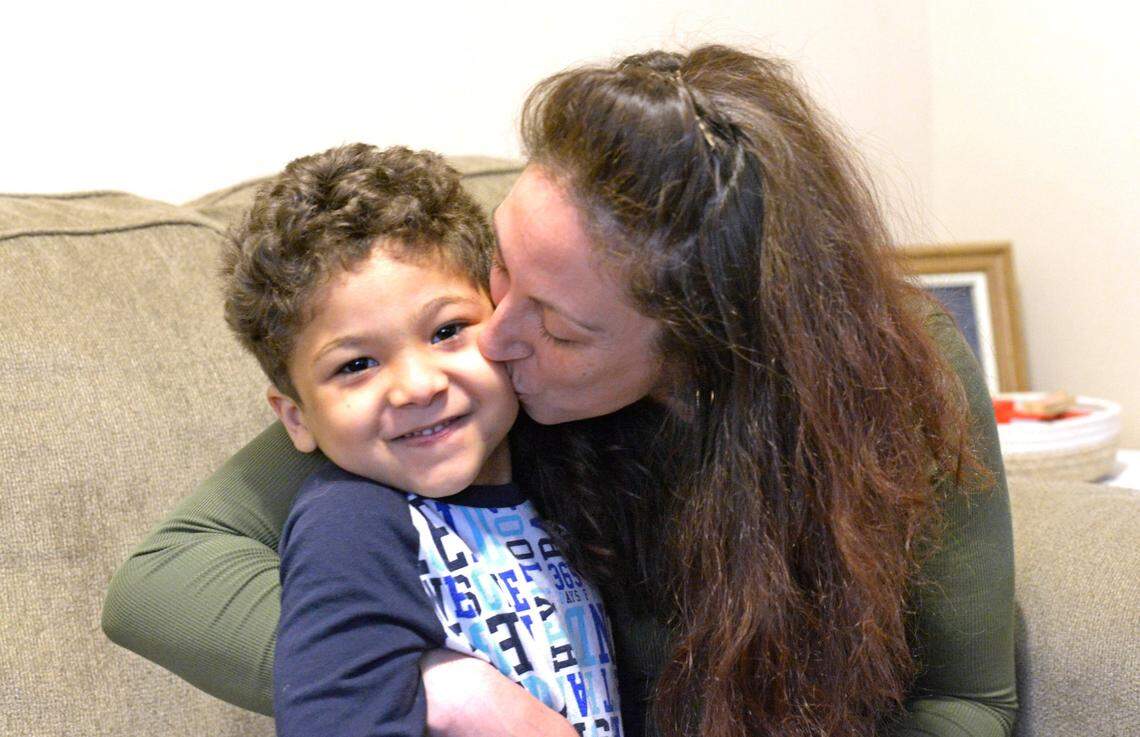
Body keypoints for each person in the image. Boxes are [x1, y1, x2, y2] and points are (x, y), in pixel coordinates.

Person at [103, 46, 1017, 737]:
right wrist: (448, 682)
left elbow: (964, 698)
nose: (493, 339)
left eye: (562, 328)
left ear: (702, 351)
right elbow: (164, 578)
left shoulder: (900, 376)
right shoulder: (446, 386)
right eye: (502, 267)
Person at [218, 143, 620, 736]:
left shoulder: (559, 468)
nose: (416, 386)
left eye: (447, 330)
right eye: (355, 365)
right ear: (297, 419)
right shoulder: (351, 526)